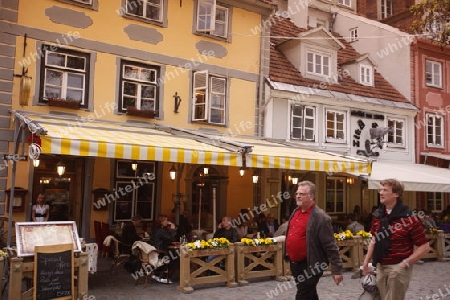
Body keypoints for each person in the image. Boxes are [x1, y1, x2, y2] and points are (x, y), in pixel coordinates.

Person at [363, 179, 430, 300]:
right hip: (380, 266)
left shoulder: (409, 219)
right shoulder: (378, 216)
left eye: (385, 190)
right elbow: (374, 239)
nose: (381, 193)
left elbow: (425, 247)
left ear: (396, 194)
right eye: (380, 189)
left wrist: (404, 264)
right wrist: (366, 261)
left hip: (398, 267)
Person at [285, 180, 343, 299]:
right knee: (309, 293)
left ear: (311, 196)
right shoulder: (295, 212)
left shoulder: (320, 217)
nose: (298, 196)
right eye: (297, 193)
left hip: (312, 264)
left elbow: (330, 245)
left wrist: (336, 270)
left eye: (302, 194)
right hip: (295, 263)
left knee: (303, 293)